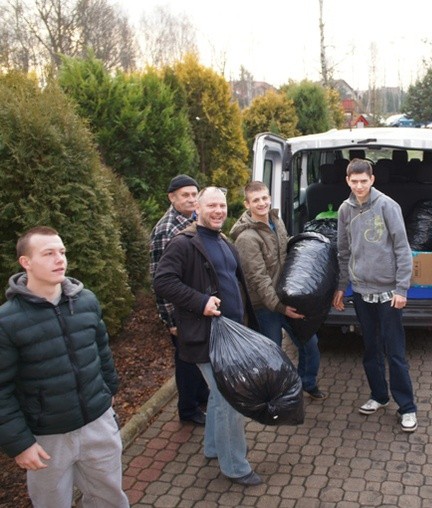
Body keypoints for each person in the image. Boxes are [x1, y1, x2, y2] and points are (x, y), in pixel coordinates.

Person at [0, 226, 129, 507]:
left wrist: (109, 394)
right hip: (48, 438)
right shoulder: (7, 322)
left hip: (98, 424)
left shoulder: (86, 301)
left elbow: (102, 351)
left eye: (62, 252)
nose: (60, 259)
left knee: (110, 499)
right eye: (48, 253)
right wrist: (20, 443)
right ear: (26, 262)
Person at [153, 186, 262, 486]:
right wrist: (200, 302)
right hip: (205, 336)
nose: (218, 211)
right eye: (211, 205)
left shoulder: (224, 240)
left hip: (230, 334)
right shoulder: (185, 243)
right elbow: (162, 281)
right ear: (197, 208)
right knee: (232, 398)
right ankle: (235, 466)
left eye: (222, 206)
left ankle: (214, 447)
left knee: (219, 395)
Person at [332, 158, 418, 432]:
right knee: (371, 350)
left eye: (364, 181)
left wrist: (402, 289)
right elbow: (343, 251)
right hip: (360, 293)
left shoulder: (386, 206)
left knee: (395, 353)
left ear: (372, 179)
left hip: (389, 294)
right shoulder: (345, 210)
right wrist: (340, 287)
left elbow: (403, 250)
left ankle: (407, 407)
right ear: (348, 181)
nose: (359, 186)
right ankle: (379, 396)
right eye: (354, 181)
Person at [230, 180, 326, 400]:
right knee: (273, 353)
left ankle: (306, 384)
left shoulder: (276, 220)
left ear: (269, 197)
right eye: (256, 200)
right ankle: (276, 394)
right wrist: (281, 308)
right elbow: (258, 279)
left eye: (264, 198)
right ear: (247, 204)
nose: (262, 203)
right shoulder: (246, 239)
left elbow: (284, 249)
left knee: (310, 344)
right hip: (265, 305)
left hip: (285, 296)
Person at [149, 174, 209, 426]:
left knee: (197, 357)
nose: (191, 199)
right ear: (172, 198)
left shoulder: (194, 220)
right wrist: (170, 319)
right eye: (185, 195)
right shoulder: (168, 229)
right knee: (186, 361)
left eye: (195, 194)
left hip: (197, 306)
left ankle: (200, 397)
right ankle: (188, 410)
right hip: (181, 312)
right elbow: (160, 279)